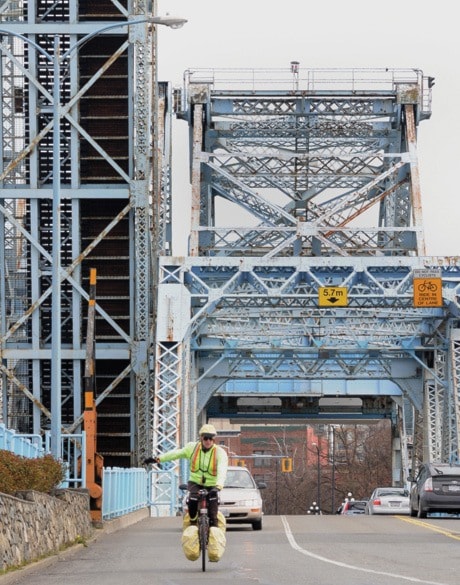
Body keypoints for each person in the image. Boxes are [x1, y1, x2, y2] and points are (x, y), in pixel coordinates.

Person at [144, 423, 228, 527]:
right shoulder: (192, 448)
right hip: (195, 482)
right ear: (201, 438)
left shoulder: (220, 453)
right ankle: (193, 523)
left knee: (212, 514)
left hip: (212, 484)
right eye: (206, 438)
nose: (208, 441)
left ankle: (213, 534)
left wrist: (218, 486)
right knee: (192, 502)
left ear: (214, 440)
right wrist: (158, 459)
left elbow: (222, 469)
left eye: (211, 438)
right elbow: (176, 454)